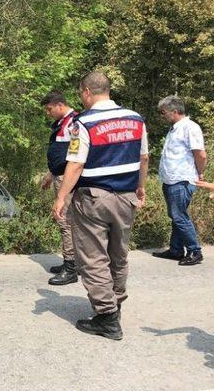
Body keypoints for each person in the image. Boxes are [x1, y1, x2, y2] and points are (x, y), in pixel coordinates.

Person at [52, 71, 148, 340]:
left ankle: (106, 317)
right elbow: (144, 158)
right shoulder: (136, 119)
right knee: (119, 254)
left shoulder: (83, 123)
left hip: (94, 198)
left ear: (86, 92)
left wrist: (61, 197)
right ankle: (115, 304)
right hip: (126, 196)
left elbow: (76, 164)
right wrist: (141, 187)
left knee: (93, 257)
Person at [153, 96, 206, 265]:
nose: (162, 116)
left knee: (179, 216)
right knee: (176, 215)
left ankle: (194, 251)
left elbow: (200, 154)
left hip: (182, 179)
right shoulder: (175, 129)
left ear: (175, 111)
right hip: (171, 179)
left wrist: (200, 173)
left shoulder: (189, 127)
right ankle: (176, 249)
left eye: (164, 113)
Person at [40, 90, 78, 285]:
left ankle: (71, 267)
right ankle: (70, 262)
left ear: (60, 105)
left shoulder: (74, 123)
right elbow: (59, 155)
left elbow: (75, 158)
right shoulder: (62, 123)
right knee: (66, 221)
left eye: (49, 109)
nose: (48, 113)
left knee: (65, 221)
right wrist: (50, 174)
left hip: (67, 179)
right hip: (60, 175)